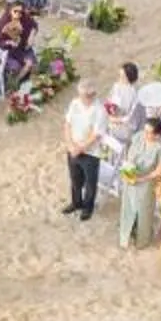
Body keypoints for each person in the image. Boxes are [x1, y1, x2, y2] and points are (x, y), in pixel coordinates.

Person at [62, 64, 108, 219]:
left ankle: (88, 207)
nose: (80, 97)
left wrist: (80, 148)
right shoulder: (75, 103)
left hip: (90, 152)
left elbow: (96, 135)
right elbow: (67, 124)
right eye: (80, 94)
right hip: (73, 147)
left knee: (90, 182)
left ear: (91, 95)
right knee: (75, 179)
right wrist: (70, 144)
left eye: (83, 95)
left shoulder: (99, 110)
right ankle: (76, 202)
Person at [116, 119, 161, 249]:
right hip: (131, 176)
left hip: (147, 183)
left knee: (143, 210)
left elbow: (159, 171)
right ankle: (127, 231)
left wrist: (142, 179)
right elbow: (129, 151)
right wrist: (129, 171)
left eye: (149, 132)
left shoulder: (160, 148)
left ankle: (142, 238)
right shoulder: (139, 136)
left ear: (157, 135)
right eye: (145, 130)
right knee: (128, 204)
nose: (145, 134)